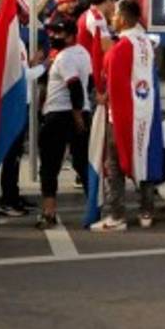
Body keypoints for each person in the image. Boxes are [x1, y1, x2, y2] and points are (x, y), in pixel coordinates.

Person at [92, 0, 158, 231]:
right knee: (143, 158)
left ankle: (117, 215)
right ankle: (146, 209)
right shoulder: (145, 42)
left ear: (124, 18)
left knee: (116, 165)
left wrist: (105, 98)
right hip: (145, 110)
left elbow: (115, 84)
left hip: (122, 115)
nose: (112, 19)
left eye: (115, 16)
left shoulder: (121, 47)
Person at [35, 18, 92, 229]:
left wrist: (76, 115)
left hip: (61, 115)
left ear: (70, 35)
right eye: (52, 33)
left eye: (58, 33)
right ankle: (94, 207)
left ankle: (49, 212)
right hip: (81, 111)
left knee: (50, 165)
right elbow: (90, 82)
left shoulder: (64, 58)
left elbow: (75, 86)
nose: (53, 37)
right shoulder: (83, 53)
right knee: (83, 163)